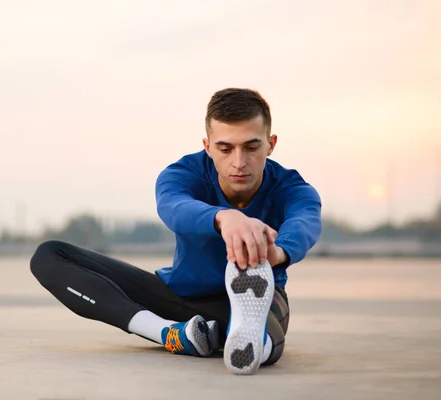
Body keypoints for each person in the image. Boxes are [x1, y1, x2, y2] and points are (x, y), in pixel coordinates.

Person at [30, 88, 322, 375]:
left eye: (251, 147)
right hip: (177, 297)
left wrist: (277, 252)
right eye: (225, 148)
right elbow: (174, 207)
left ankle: (249, 339)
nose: (239, 162)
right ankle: (171, 334)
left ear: (271, 144)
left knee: (264, 337)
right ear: (207, 146)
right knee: (48, 256)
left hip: (257, 300)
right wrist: (224, 217)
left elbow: (305, 220)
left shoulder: (291, 187)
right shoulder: (184, 173)